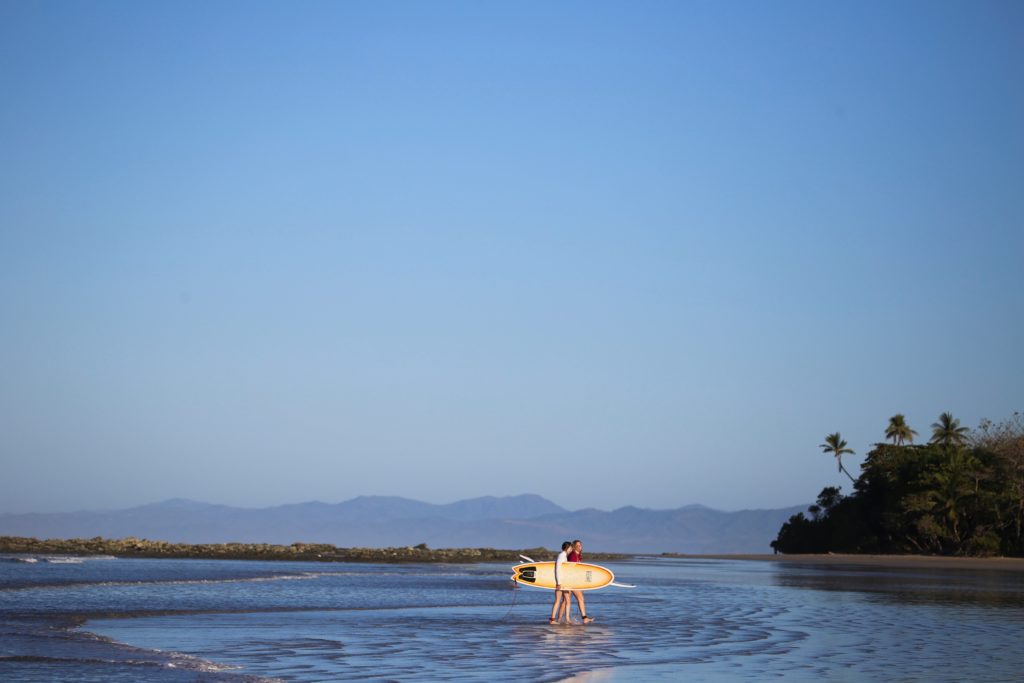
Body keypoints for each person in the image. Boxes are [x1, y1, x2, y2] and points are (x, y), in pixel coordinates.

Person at [567, 539, 593, 623]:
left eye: (580, 545)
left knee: (566, 601)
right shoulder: (573, 555)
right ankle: (584, 618)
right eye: (577, 545)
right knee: (580, 598)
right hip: (572, 581)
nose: (579, 547)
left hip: (572, 581)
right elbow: (572, 569)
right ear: (574, 546)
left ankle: (560, 618)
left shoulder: (577, 555)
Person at [549, 541, 572, 624]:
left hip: (563, 581)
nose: (571, 549)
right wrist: (558, 583)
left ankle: (566, 619)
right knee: (560, 600)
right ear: (568, 548)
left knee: (565, 600)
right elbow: (557, 569)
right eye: (571, 547)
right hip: (561, 582)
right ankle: (554, 620)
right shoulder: (562, 556)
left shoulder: (564, 556)